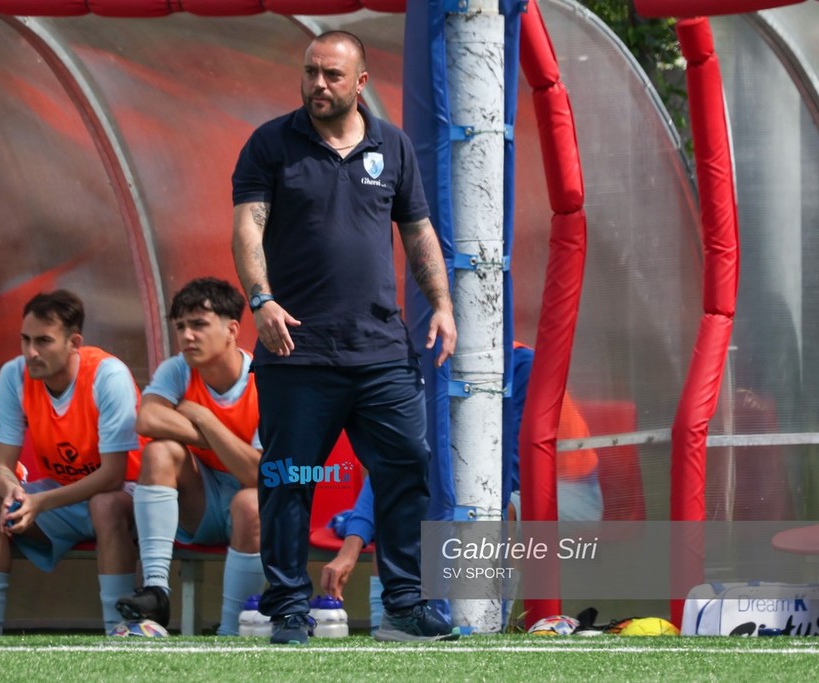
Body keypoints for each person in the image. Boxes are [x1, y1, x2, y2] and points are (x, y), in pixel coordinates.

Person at [231, 30, 459, 643]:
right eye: (311, 72)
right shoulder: (270, 144)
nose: (318, 84)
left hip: (381, 349)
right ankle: (287, 608)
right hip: (295, 349)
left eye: (332, 75)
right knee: (289, 478)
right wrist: (262, 300)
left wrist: (442, 305)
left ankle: (403, 607)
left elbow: (418, 232)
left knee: (406, 466)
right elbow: (247, 229)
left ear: (360, 83)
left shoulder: (393, 145)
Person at [320, 343, 603, 629]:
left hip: (566, 489)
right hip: (472, 480)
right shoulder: (426, 367)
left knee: (496, 511)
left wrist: (447, 500)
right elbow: (395, 465)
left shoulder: (522, 365)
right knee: (401, 509)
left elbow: (516, 468)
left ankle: (486, 629)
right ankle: (388, 628)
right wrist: (350, 549)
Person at [0, 290, 143, 636]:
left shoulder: (108, 375)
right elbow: (2, 467)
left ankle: (119, 632)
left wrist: (39, 502)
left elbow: (113, 476)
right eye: (25, 339)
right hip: (62, 496)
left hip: (128, 493)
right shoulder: (14, 375)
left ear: (74, 342)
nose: (31, 352)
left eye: (43, 341)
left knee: (105, 505)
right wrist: (13, 492)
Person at [116, 277, 264, 636]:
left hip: (257, 509)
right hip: (203, 503)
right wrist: (219, 442)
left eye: (198, 324)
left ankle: (232, 630)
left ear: (232, 330)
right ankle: (156, 592)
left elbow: (258, 476)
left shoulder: (267, 380)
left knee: (250, 502)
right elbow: (148, 419)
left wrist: (205, 418)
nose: (186, 336)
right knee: (159, 451)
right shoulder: (178, 368)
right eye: (180, 326)